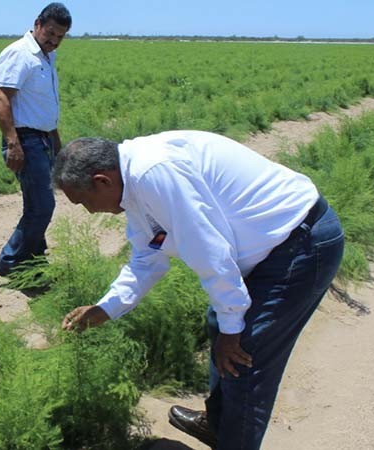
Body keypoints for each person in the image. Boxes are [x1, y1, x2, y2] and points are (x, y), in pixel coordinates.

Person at [54, 130, 345, 450]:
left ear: (102, 181)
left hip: (299, 244)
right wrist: (106, 308)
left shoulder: (154, 173)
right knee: (219, 323)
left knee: (244, 357)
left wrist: (234, 328)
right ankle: (221, 426)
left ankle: (234, 437)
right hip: (268, 248)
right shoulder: (132, 183)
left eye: (83, 201)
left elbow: (211, 251)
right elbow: (148, 256)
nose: (89, 211)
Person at [0, 3, 71, 277]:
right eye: (50, 33)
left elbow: (43, 106)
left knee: (38, 204)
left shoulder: (47, 57)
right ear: (37, 24)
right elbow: (2, 98)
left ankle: (33, 261)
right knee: (42, 205)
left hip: (44, 139)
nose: (54, 41)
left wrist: (57, 140)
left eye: (60, 37)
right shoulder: (20, 53)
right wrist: (13, 143)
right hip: (25, 140)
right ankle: (11, 262)